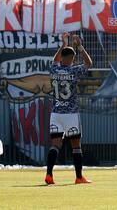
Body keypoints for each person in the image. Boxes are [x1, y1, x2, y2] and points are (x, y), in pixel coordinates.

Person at [46, 33, 93, 185]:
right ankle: (79, 177)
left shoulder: (54, 70)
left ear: (61, 57)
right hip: (71, 114)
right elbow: (88, 63)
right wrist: (79, 46)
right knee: (75, 146)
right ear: (71, 59)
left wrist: (63, 44)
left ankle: (49, 175)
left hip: (56, 113)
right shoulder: (73, 71)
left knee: (55, 145)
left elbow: (55, 60)